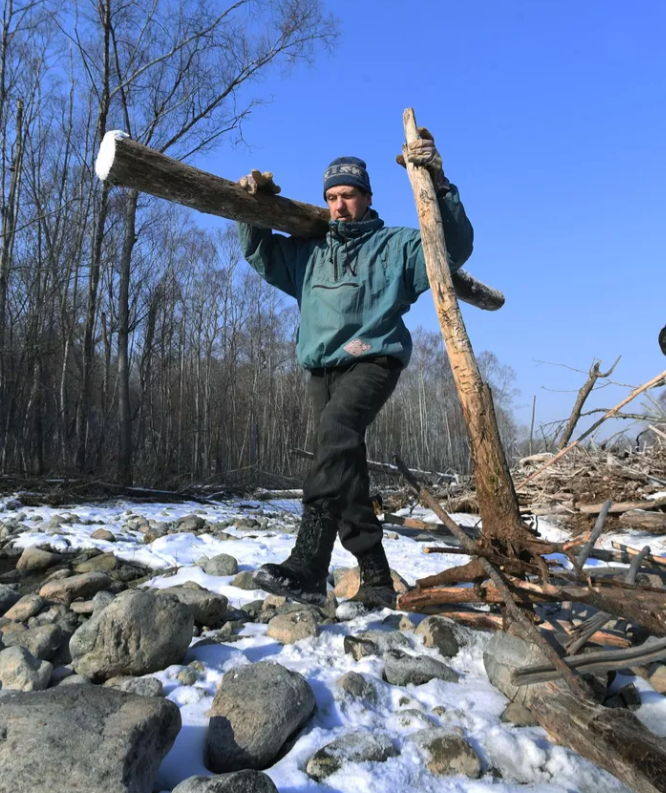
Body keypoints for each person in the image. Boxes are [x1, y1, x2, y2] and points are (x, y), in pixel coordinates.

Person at [236, 129, 474, 608]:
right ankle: (377, 579)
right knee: (345, 468)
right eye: (331, 197)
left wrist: (439, 184)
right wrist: (253, 206)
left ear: (366, 197)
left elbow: (451, 250)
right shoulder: (310, 251)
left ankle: (308, 563)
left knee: (338, 433)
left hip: (373, 358)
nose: (338, 205)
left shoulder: (396, 247)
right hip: (322, 368)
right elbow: (260, 253)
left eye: (347, 195)